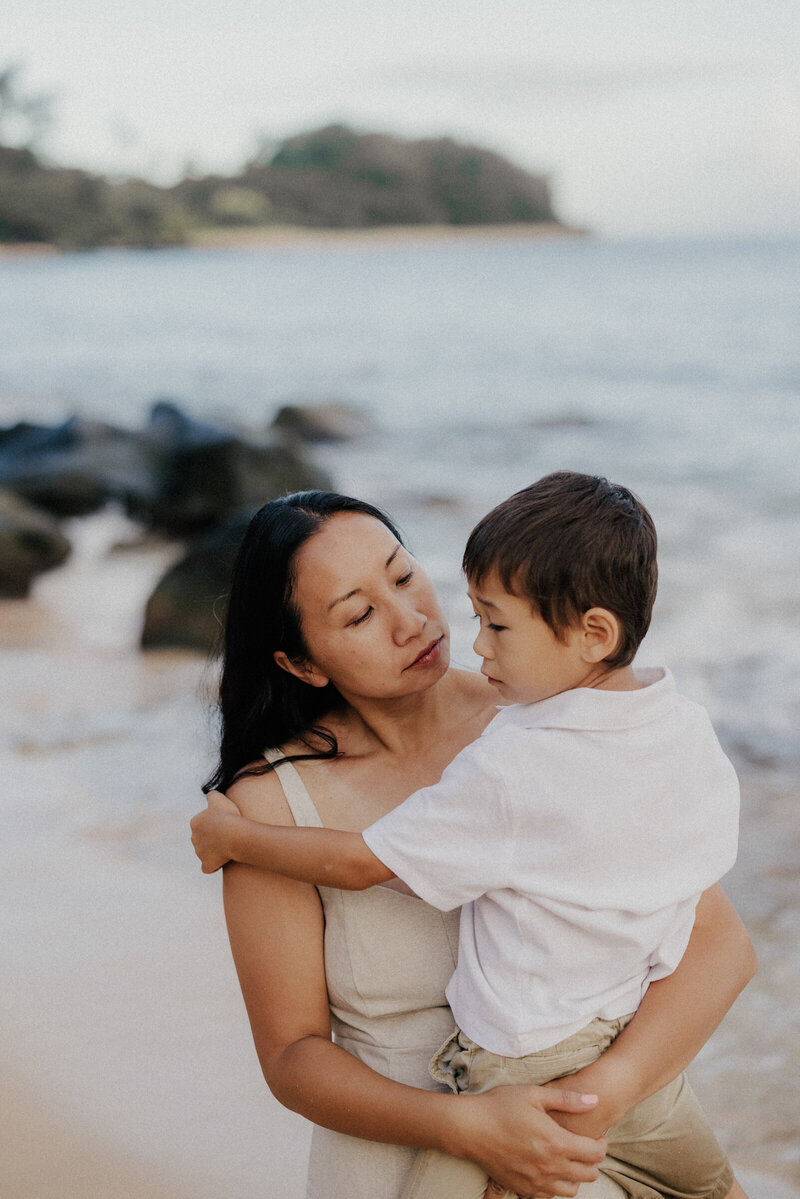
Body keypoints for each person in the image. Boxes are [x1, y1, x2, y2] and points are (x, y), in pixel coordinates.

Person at [193, 486, 756, 1199]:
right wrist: (467, 1127)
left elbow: (719, 945)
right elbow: (292, 1056)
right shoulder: (269, 806)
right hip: (406, 1146)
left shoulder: (546, 721)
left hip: (597, 1120)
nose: (412, 619)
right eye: (361, 613)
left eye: (403, 574)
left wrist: (594, 1101)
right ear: (303, 663)